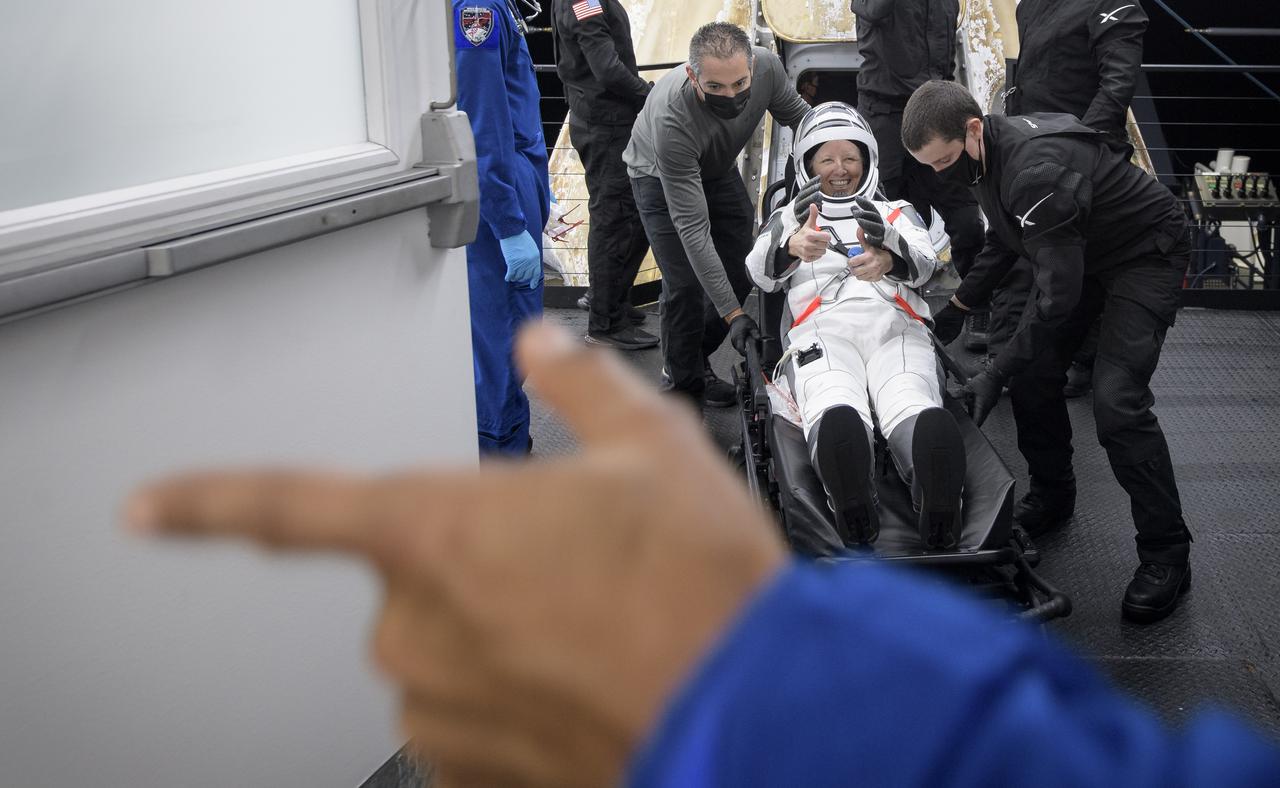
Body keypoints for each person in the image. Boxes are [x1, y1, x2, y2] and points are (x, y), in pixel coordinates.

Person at [125, 321, 1280, 788]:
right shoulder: (794, 224)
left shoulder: (895, 221)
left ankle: (919, 454)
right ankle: (844, 445)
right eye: (822, 168)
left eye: (843, 167)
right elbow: (768, 299)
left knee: (912, 385)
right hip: (825, 321)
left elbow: (934, 273)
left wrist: (896, 276)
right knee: (829, 381)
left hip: (888, 312)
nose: (833, 178)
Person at [903, 79, 1193, 624]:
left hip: (1144, 253)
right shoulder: (989, 154)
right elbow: (1004, 241)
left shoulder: (1035, 170)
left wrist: (993, 372)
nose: (941, 174)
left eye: (944, 161)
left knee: (1117, 402)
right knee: (1035, 372)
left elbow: (1057, 299)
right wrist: (958, 308)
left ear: (971, 129)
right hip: (1083, 251)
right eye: (930, 166)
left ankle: (1167, 555)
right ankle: (1054, 494)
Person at [746, 102, 966, 550]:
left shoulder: (897, 211)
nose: (840, 169)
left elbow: (925, 264)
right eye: (826, 159)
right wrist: (792, 246)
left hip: (894, 326)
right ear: (807, 164)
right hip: (822, 332)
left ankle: (935, 491)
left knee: (909, 397)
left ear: (867, 161)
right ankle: (851, 492)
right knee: (833, 400)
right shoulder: (788, 216)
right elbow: (758, 272)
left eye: (850, 158)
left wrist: (889, 255)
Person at [623, 22, 809, 408]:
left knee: (747, 260)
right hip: (658, 175)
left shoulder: (768, 67)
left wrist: (846, 159)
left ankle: (692, 356)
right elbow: (693, 230)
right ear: (693, 76)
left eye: (740, 84)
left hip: (717, 168)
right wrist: (735, 315)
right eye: (716, 88)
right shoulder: (672, 116)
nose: (731, 95)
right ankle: (682, 387)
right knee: (685, 284)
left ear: (752, 70)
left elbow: (803, 120)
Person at [989, 0, 1150, 398]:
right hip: (1031, 152)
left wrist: (1080, 147)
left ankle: (1086, 358)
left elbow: (1117, 83)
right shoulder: (1030, 7)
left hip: (1080, 160)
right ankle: (1012, 358)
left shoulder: (1113, 5)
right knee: (1029, 258)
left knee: (1090, 265)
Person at [850, 0, 987, 347]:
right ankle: (891, 311)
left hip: (936, 114)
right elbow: (873, 10)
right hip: (886, 111)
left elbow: (946, 56)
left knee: (968, 220)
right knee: (892, 221)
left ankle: (975, 308)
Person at [455, 0, 549, 454]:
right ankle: (498, 454)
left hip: (514, 183)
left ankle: (506, 437)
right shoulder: (476, 8)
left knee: (507, 333)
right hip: (502, 192)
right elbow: (482, 125)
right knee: (505, 337)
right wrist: (509, 224)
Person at [550, 0, 658, 351]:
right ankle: (605, 323)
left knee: (631, 215)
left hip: (603, 120)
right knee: (614, 218)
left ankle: (613, 299)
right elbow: (607, 69)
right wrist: (649, 96)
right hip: (606, 124)